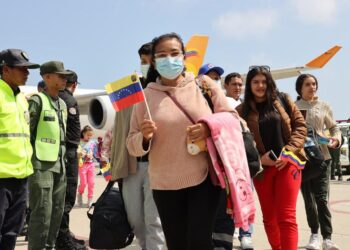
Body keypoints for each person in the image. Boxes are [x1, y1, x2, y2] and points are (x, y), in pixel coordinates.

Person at [127, 33, 234, 250]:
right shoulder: (145, 97)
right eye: (162, 55)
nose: (169, 59)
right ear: (154, 62)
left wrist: (207, 127)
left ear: (184, 57)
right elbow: (131, 144)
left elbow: (233, 119)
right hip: (164, 183)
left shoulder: (203, 85)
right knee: (176, 244)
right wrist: (144, 138)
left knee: (199, 242)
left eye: (175, 53)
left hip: (203, 179)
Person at [236, 66, 307, 250]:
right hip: (262, 170)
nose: (260, 85)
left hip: (288, 164)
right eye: (255, 82)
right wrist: (259, 160)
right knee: (269, 219)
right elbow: (237, 144)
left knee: (287, 217)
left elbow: (300, 126)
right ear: (249, 85)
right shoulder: (240, 111)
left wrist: (289, 151)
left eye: (264, 81)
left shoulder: (283, 99)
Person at [108, 41, 166, 250]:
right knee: (135, 219)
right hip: (132, 164)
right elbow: (120, 128)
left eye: (150, 61)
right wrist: (115, 163)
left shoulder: (166, 88)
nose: (146, 65)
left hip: (158, 164)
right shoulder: (129, 88)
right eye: (143, 61)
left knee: (155, 219)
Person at [27, 60, 71, 250]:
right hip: (41, 165)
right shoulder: (37, 101)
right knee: (42, 213)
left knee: (56, 212)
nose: (64, 79)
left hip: (59, 165)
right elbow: (26, 134)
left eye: (65, 76)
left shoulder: (62, 103)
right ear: (47, 77)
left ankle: (50, 247)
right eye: (60, 76)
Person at [295, 73, 341, 250]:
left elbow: (334, 127)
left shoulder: (324, 106)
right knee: (309, 199)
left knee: (322, 199)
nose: (312, 87)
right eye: (308, 84)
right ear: (300, 87)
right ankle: (314, 235)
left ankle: (327, 238)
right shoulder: (293, 107)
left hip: (323, 158)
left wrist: (335, 139)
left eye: (314, 84)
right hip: (303, 160)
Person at [0, 49, 39, 250]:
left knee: (11, 233)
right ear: (6, 69)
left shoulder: (21, 98)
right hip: (1, 177)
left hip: (21, 177)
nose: (27, 73)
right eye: (22, 69)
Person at [198, 63, 235, 250]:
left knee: (224, 214)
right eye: (208, 76)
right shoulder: (194, 104)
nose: (213, 81)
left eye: (216, 77)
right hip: (200, 170)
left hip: (223, 169)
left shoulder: (227, 105)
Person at [56, 70, 86, 249]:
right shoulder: (69, 100)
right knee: (67, 197)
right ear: (74, 85)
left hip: (59, 152)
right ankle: (63, 240)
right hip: (69, 153)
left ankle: (64, 233)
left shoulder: (53, 98)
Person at [77, 125, 96, 208]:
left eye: (91, 135)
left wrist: (91, 155)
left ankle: (90, 199)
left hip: (91, 165)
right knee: (83, 183)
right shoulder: (79, 142)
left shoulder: (92, 142)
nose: (89, 137)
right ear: (83, 133)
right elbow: (77, 152)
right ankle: (80, 193)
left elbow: (95, 153)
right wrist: (81, 154)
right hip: (82, 165)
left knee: (91, 183)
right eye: (88, 135)